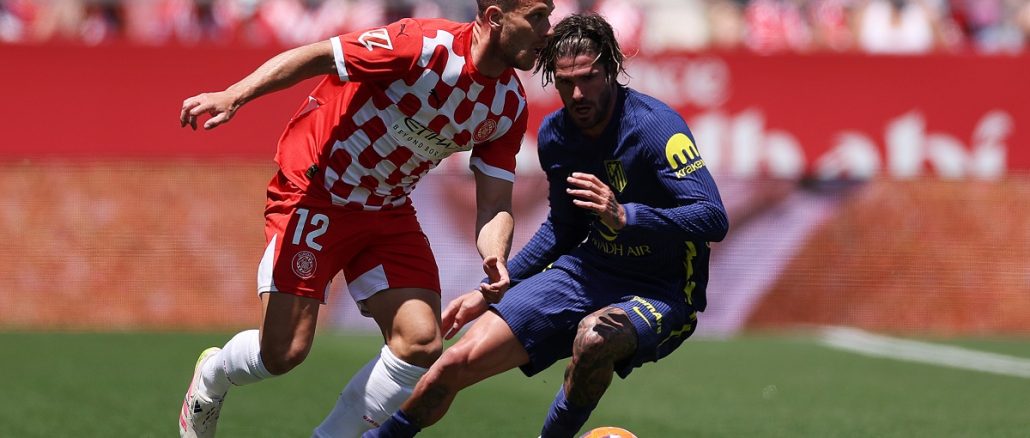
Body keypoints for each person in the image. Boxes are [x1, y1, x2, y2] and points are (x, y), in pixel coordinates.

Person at [176, 1, 555, 437]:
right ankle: (213, 376)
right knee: (283, 353)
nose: (547, 30)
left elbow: (493, 205)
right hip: (318, 190)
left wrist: (494, 254)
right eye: (538, 16)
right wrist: (235, 94)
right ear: (495, 17)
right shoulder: (421, 45)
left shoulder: (507, 105)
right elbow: (320, 54)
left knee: (421, 342)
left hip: (387, 208)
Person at [364, 12, 729, 438]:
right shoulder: (556, 135)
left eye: (589, 78)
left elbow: (713, 218)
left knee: (594, 339)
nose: (577, 93)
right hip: (588, 272)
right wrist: (497, 288)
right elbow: (564, 228)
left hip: (662, 290)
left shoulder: (655, 128)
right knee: (453, 363)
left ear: (611, 70)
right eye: (564, 81)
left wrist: (626, 215)